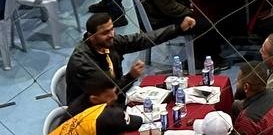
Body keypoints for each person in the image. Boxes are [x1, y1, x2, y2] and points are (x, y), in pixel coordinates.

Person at [64, 11, 195, 105]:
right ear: (91, 36)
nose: (111, 35)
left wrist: (177, 29)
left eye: (112, 29)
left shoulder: (110, 42)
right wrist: (131, 76)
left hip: (116, 98)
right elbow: (108, 94)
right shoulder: (83, 63)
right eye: (105, 32)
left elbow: (142, 39)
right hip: (91, 113)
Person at [49, 72, 143, 135]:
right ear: (94, 98)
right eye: (109, 96)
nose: (115, 98)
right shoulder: (103, 118)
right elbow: (134, 122)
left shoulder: (89, 101)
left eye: (114, 92)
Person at [230, 64, 273, 135]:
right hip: (272, 126)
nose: (236, 83)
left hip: (258, 126)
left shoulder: (247, 121)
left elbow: (250, 122)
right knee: (236, 105)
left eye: (237, 81)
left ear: (246, 87)